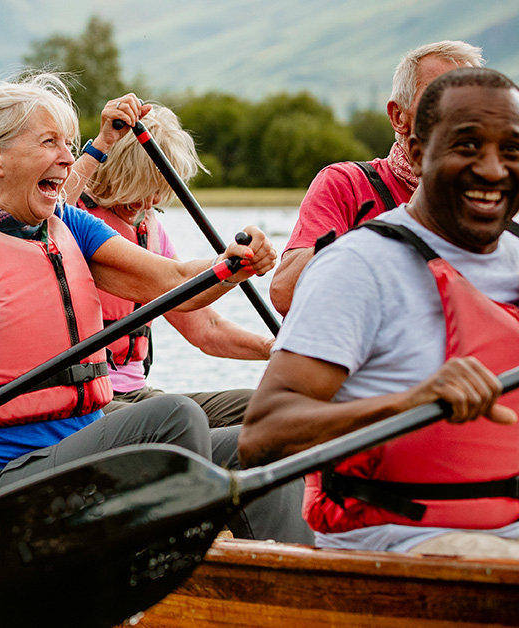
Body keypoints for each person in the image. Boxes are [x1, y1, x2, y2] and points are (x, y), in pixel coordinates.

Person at [0, 74, 309, 544]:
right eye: (50, 143)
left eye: (69, 146)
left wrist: (232, 267)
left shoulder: (71, 226)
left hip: (79, 455)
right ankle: (152, 565)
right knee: (174, 417)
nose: (69, 160)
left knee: (268, 439)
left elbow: (175, 283)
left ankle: (293, 586)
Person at [240, 67, 519, 558]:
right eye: (468, 147)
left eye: (512, 151)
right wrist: (409, 402)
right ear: (415, 151)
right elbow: (262, 436)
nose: (494, 169)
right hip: (396, 539)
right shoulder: (357, 266)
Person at [79, 103, 273, 428]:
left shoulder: (151, 230)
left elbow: (206, 329)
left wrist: (275, 348)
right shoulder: (72, 223)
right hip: (89, 403)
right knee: (179, 417)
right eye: (143, 187)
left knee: (267, 408)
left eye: (159, 190)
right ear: (116, 171)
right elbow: (52, 206)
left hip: (138, 395)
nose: (151, 201)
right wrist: (102, 143)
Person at [270, 40, 484, 315]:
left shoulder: (495, 197)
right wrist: (406, 220)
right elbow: (285, 294)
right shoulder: (345, 184)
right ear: (398, 116)